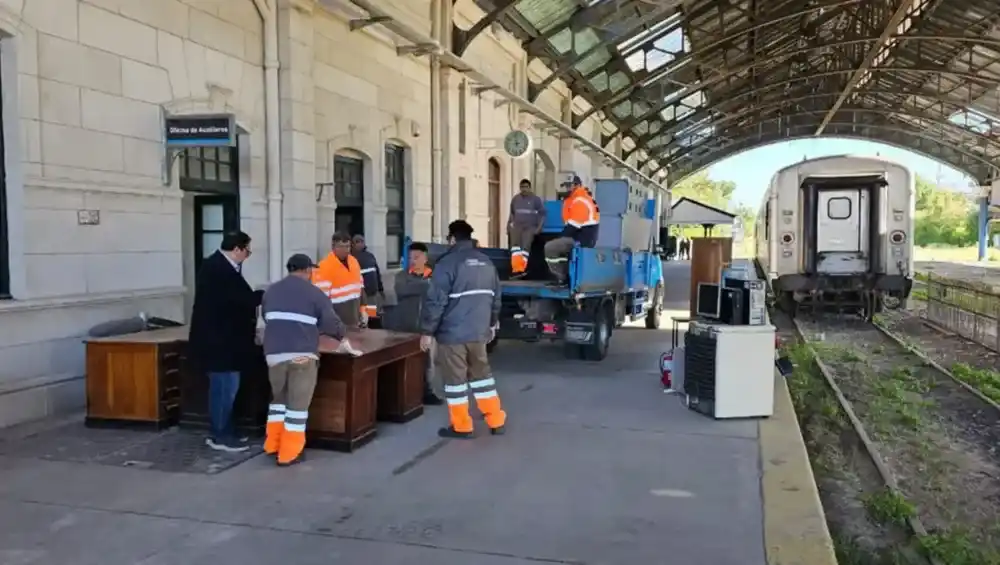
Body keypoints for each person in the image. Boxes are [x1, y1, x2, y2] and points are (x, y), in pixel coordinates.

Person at [419, 220, 506, 439]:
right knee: (483, 377)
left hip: (453, 334)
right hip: (479, 332)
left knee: (455, 381)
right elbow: (496, 297)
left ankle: (462, 426)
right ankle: (496, 420)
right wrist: (492, 323)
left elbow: (435, 302)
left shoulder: (447, 264)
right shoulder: (486, 262)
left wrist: (427, 332)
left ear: (452, 239)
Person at [261, 254, 347, 466]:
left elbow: (267, 317)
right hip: (301, 355)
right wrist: (342, 335)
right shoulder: (314, 294)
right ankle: (290, 453)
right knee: (297, 406)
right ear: (308, 270)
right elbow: (331, 324)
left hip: (273, 355)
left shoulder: (271, 291)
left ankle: (272, 444)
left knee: (278, 402)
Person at [188, 230, 260, 453]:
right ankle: (219, 435)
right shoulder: (216, 268)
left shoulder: (224, 266)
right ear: (237, 249)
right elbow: (234, 301)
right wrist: (259, 296)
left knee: (230, 387)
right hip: (219, 342)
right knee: (223, 389)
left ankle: (228, 430)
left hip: (229, 342)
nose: (247, 255)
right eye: (247, 251)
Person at [391, 242, 443, 405]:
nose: (413, 260)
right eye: (411, 257)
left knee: (428, 362)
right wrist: (426, 286)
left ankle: (427, 391)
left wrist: (422, 286)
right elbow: (401, 290)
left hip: (427, 328)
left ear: (425, 258)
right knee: (408, 362)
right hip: (406, 327)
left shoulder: (435, 276)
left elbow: (439, 295)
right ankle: (408, 393)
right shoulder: (402, 276)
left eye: (417, 257)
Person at [543, 176, 600, 284]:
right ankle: (565, 276)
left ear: (577, 186)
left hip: (581, 239)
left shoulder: (580, 201)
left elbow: (573, 226)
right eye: (564, 186)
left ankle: (561, 277)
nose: (565, 189)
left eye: (569, 186)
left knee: (550, 247)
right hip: (582, 237)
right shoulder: (579, 198)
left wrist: (559, 237)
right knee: (559, 246)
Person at [313, 231, 368, 328]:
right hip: (336, 325)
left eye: (348, 246)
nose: (346, 250)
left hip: (356, 322)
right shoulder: (323, 267)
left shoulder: (354, 262)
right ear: (333, 247)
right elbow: (321, 302)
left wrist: (364, 311)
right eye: (342, 246)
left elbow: (361, 288)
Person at [507, 178, 546, 278]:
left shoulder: (536, 200)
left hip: (530, 228)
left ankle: (522, 269)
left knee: (525, 248)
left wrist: (539, 228)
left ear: (530, 188)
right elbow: (512, 214)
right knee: (515, 249)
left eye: (526, 187)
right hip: (517, 227)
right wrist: (508, 225)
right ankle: (516, 270)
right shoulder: (515, 199)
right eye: (522, 187)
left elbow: (542, 214)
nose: (524, 189)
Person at [351, 234, 384, 318]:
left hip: (372, 293)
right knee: (363, 317)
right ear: (353, 244)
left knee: (372, 316)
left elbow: (377, 273)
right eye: (357, 242)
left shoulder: (370, 256)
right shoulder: (351, 258)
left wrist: (381, 289)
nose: (360, 244)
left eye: (362, 241)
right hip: (361, 295)